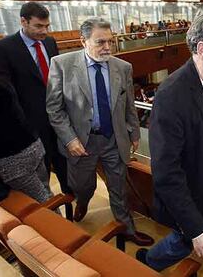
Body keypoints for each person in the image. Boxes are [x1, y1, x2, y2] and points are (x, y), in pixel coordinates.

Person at [137, 7, 203, 277]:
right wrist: (197, 229)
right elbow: (166, 173)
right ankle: (148, 262)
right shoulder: (172, 95)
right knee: (182, 243)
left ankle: (151, 259)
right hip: (196, 196)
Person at [46, 17, 153, 246]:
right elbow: (54, 109)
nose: (107, 48)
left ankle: (127, 228)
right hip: (81, 143)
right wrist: (69, 138)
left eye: (110, 42)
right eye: (100, 42)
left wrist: (133, 133)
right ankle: (82, 202)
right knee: (84, 186)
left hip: (113, 139)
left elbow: (128, 104)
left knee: (119, 187)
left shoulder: (122, 67)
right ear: (83, 41)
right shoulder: (61, 65)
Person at [0, 1, 71, 195]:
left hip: (58, 116)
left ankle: (70, 197)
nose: (44, 31)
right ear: (23, 21)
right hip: (32, 124)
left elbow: (57, 77)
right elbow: (7, 92)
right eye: (39, 26)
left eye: (47, 26)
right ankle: (49, 207)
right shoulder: (4, 48)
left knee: (64, 163)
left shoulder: (49, 42)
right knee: (43, 172)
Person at [0, 78, 51, 203]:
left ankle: (58, 222)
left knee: (41, 202)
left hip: (13, 159)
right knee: (46, 193)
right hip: (32, 144)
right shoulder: (2, 81)